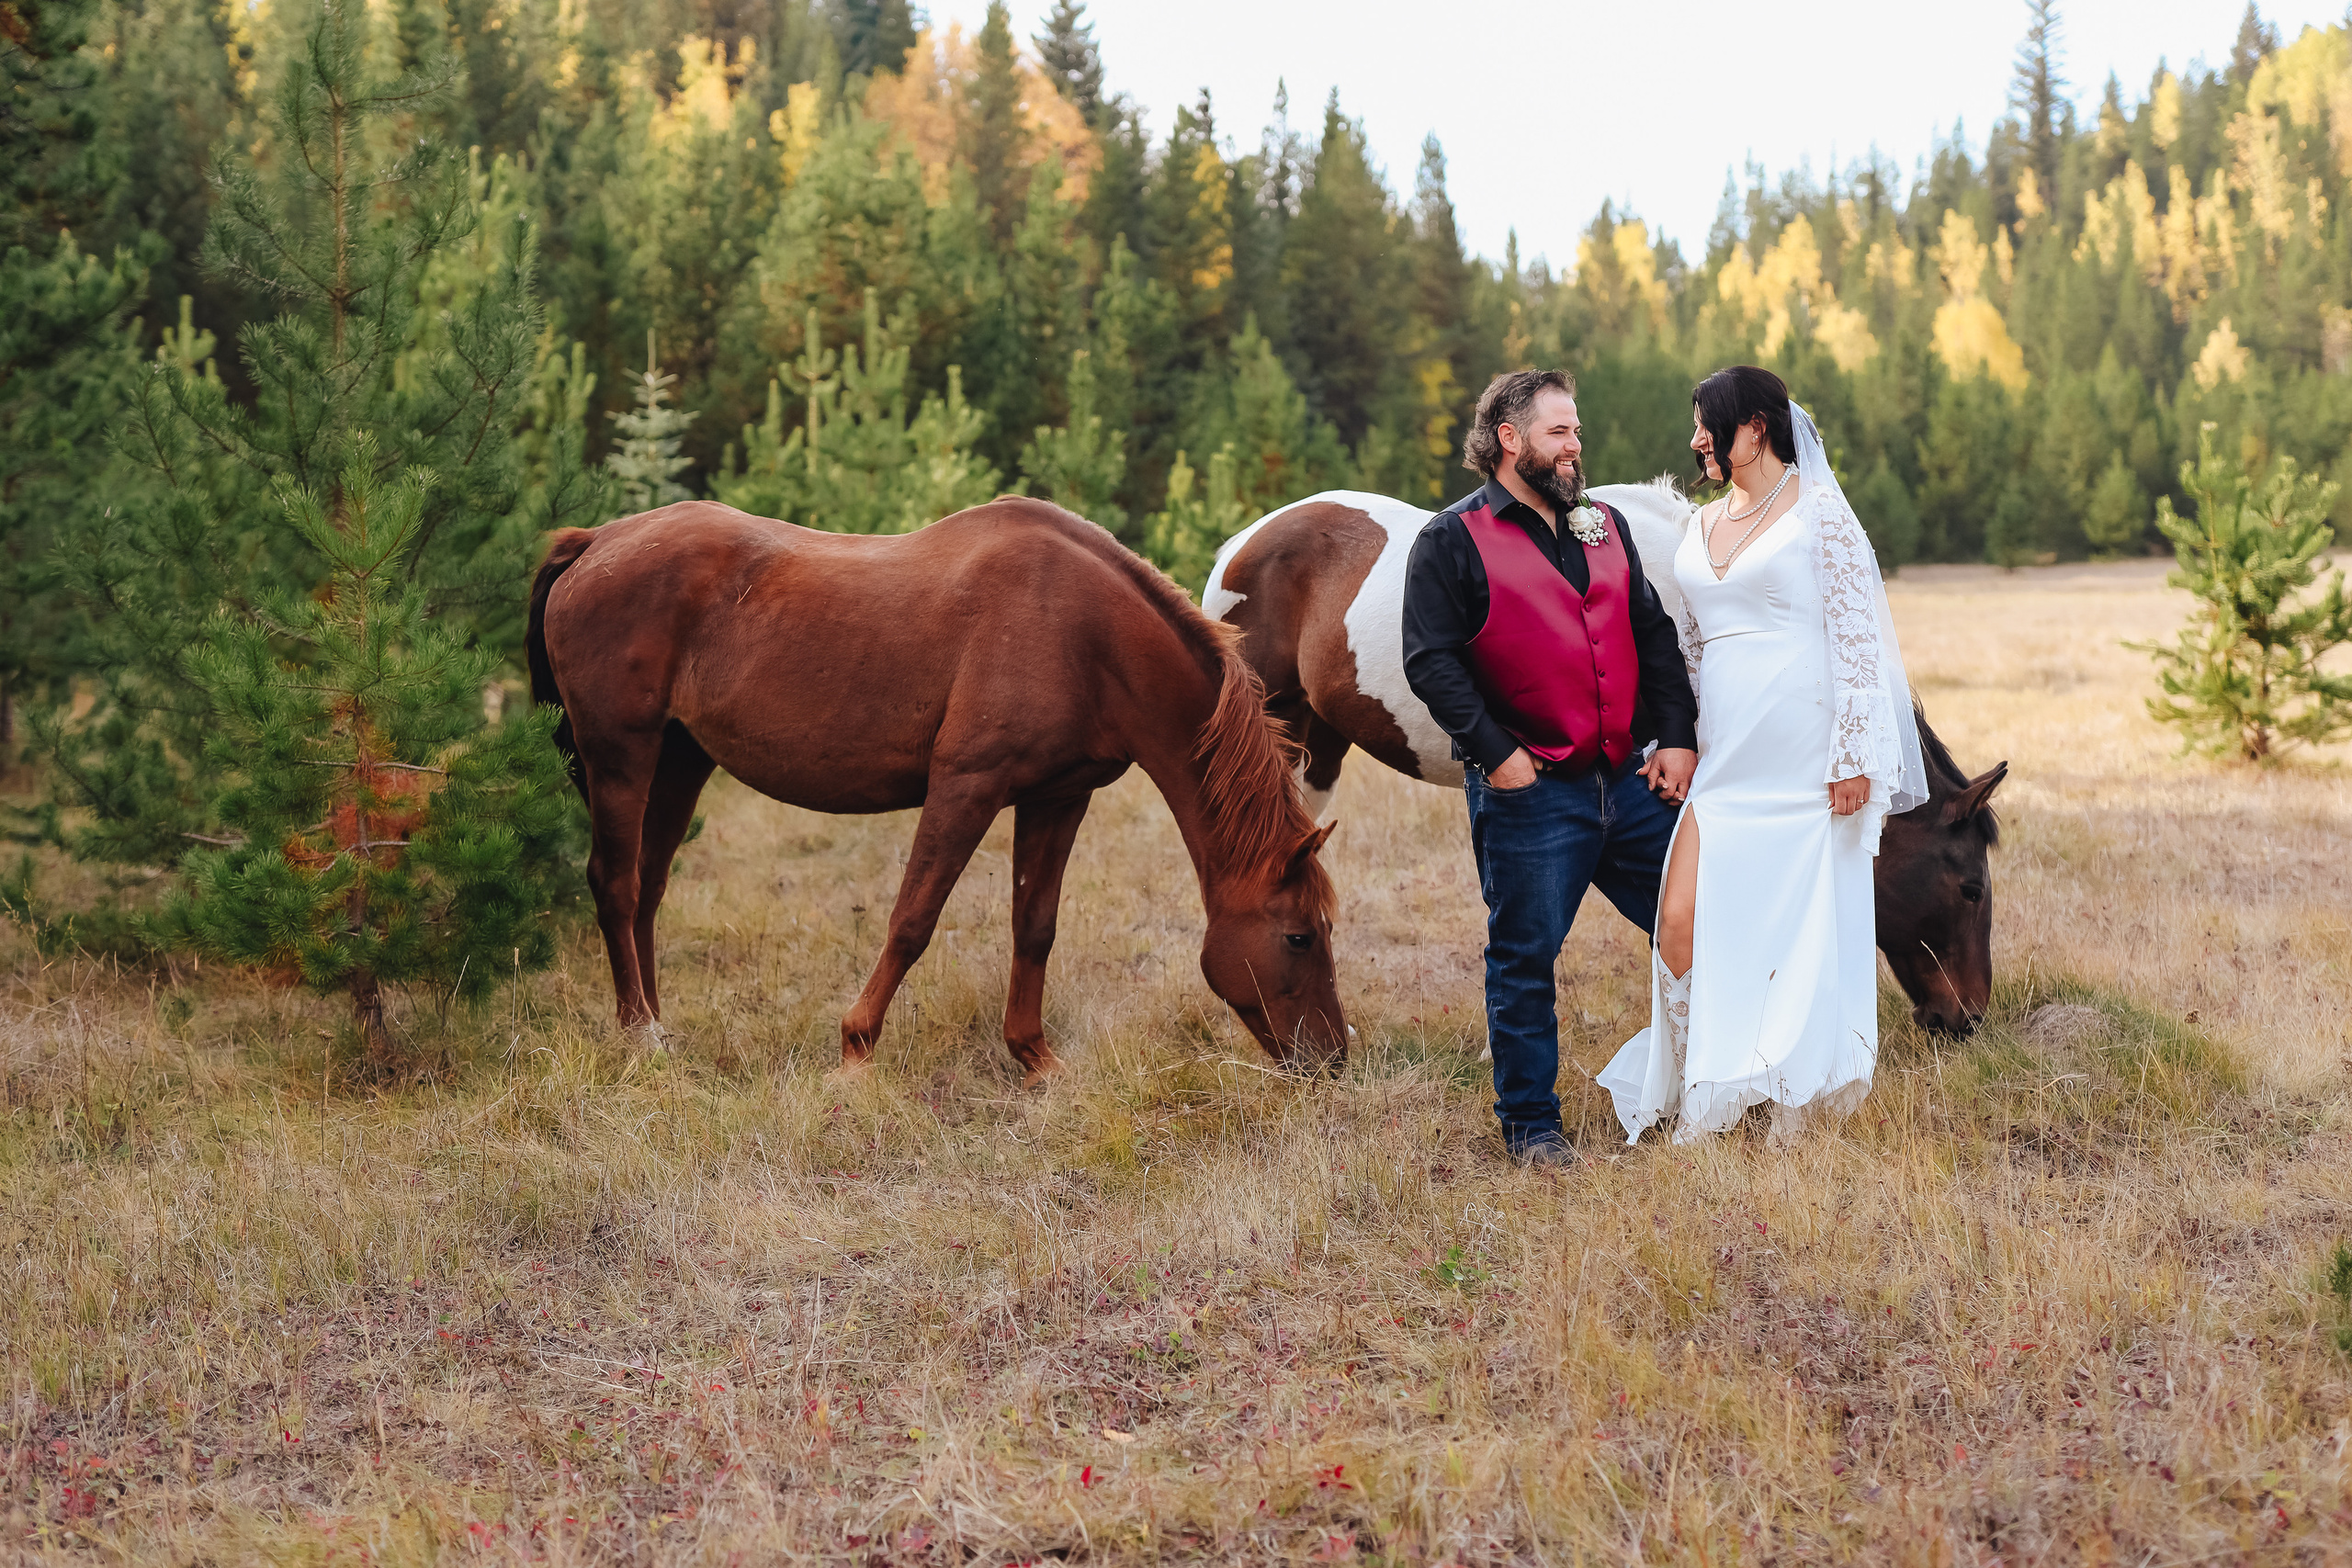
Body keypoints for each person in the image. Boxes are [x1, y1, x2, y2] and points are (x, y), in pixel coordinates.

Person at [1599, 366, 1928, 1144]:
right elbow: (1683, 648)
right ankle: (1697, 1076)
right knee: (1678, 919)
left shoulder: (1822, 515)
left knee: (1798, 927)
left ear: (1756, 426)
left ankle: (1781, 1084)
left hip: (1807, 760)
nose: (1696, 440)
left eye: (1708, 423)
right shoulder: (1697, 526)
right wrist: (1671, 738)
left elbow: (1857, 635)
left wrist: (1856, 753)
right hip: (1725, 759)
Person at [1402, 369, 1699, 1167]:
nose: (1576, 446)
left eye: (1576, 431)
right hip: (1533, 797)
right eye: (1560, 432)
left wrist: (1676, 736)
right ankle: (1532, 1127)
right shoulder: (1450, 541)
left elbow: (1651, 631)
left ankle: (1715, 1083)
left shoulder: (1602, 524)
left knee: (1699, 925)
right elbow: (1430, 663)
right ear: (1510, 439)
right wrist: (1498, 758)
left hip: (1630, 786)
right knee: (1525, 958)